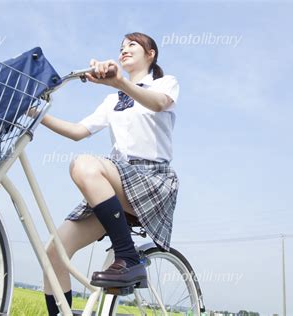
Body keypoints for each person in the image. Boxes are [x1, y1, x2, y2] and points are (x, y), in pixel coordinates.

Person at [34, 32, 180, 315]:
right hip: (116, 183)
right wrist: (34, 114)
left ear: (151, 54)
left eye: (132, 45)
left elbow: (159, 103)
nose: (124, 50)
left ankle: (127, 256)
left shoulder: (165, 83)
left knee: (84, 164)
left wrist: (119, 81)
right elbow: (78, 131)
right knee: (54, 254)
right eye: (121, 47)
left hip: (151, 179)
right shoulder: (113, 99)